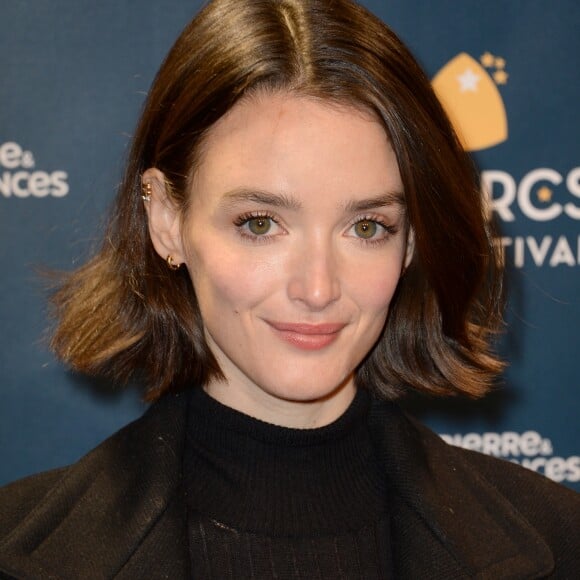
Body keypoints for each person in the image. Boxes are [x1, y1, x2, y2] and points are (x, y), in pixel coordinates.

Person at [1, 0, 578, 578]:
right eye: (260, 223)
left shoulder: (560, 537)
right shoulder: (19, 540)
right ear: (167, 220)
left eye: (367, 227)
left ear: (410, 244)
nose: (317, 288)